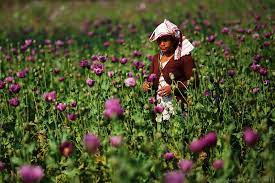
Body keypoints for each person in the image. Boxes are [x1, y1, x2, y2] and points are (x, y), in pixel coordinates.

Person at [143, 19, 199, 122]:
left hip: (179, 105)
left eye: (165, 40)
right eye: (159, 41)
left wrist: (173, 88)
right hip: (159, 106)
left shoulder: (184, 57)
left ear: (173, 40)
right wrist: (147, 85)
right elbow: (151, 79)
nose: (162, 44)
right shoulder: (156, 58)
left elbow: (195, 81)